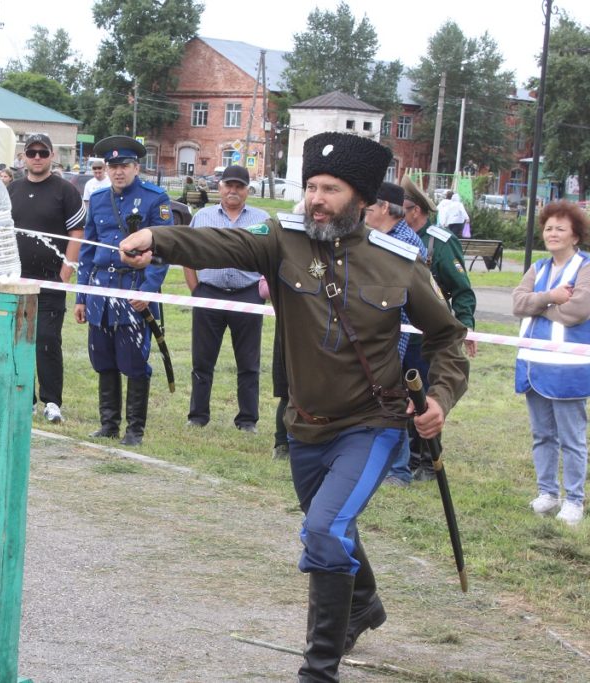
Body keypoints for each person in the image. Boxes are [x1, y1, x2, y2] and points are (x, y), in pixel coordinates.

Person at [119, 131, 469, 681]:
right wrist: (158, 239)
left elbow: (448, 338)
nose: (315, 198)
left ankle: (319, 669)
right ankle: (364, 603)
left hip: (371, 424)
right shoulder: (283, 240)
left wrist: (441, 399)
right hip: (304, 425)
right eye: (309, 186)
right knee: (333, 525)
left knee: (324, 531)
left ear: (361, 199)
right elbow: (222, 246)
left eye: (329, 188)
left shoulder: (399, 265)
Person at [75, 135, 173, 446]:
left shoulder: (154, 198)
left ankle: (134, 430)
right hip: (102, 290)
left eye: (125, 165)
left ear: (136, 167)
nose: (118, 171)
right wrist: (81, 296)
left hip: (134, 288)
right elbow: (88, 251)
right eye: (113, 166)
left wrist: (148, 290)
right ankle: (109, 424)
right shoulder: (99, 199)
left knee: (133, 361)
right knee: (102, 358)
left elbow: (164, 250)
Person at [513, 200, 589, 526]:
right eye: (548, 228)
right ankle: (547, 493)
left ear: (576, 235)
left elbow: (576, 312)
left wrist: (538, 305)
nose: (552, 233)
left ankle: (574, 499)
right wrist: (550, 298)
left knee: (572, 438)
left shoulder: (585, 267)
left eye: (560, 228)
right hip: (533, 363)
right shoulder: (539, 268)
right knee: (542, 434)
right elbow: (517, 303)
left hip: (567, 368)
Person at [401, 174, 477, 480]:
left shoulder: (441, 243)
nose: (397, 214)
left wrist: (466, 327)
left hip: (429, 337)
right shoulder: (391, 238)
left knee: (428, 399)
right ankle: (407, 458)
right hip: (402, 335)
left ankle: (430, 462)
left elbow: (462, 291)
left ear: (416, 210)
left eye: (401, 209)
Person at [5, 133, 86, 422]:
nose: (37, 157)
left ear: (52, 155)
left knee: (47, 340)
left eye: (42, 152)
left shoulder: (66, 190)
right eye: (31, 152)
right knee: (18, 339)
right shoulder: (12, 189)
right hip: (17, 278)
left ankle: (52, 402)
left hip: (51, 279)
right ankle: (25, 398)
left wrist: (67, 271)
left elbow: (77, 232)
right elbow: (2, 231)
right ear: (23, 157)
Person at [182, 164, 268, 432]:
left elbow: (272, 257)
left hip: (248, 296)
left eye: (239, 186)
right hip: (209, 294)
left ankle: (247, 420)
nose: (233, 190)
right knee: (203, 359)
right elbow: (187, 253)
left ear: (247, 190)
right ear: (219, 187)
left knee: (249, 362)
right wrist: (195, 288)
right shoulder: (203, 217)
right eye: (228, 185)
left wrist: (263, 291)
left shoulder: (263, 219)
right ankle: (197, 416)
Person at [365, 182, 429, 488]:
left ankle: (399, 470)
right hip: (375, 331)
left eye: (370, 207)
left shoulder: (405, 243)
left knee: (391, 400)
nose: (365, 212)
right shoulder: (379, 237)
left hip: (395, 334)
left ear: (384, 209)